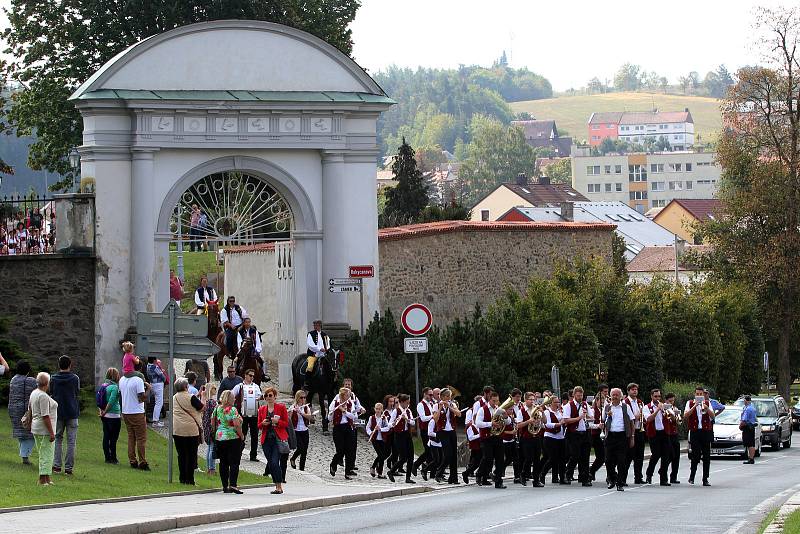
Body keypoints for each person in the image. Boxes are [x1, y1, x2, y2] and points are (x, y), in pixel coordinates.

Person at [50, 355, 80, 475]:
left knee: (57, 438)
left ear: (59, 365)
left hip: (58, 411)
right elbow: (77, 392)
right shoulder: (75, 378)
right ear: (70, 364)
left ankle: (57, 466)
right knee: (71, 441)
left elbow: (51, 392)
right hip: (72, 411)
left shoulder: (53, 378)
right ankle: (69, 468)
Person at [172, 378, 205, 485]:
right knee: (191, 455)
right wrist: (203, 397)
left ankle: (182, 478)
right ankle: (190, 480)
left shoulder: (174, 398)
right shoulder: (191, 397)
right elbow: (201, 408)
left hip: (177, 429)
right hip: (191, 430)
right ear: (186, 387)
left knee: (181, 455)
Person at [258, 387, 289, 494]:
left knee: (275, 462)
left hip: (277, 439)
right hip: (266, 440)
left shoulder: (281, 407)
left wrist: (278, 421)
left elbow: (286, 423)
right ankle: (276, 486)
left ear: (275, 396)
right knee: (271, 463)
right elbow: (258, 425)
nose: (268, 397)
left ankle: (279, 486)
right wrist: (263, 423)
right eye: (266, 396)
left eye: (270, 395)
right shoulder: (262, 409)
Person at [603, 387, 635, 491]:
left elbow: (632, 423)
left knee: (621, 461)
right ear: (610, 396)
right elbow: (603, 421)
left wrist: (632, 437)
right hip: (610, 435)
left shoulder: (625, 407)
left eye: (617, 395)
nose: (615, 397)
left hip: (622, 436)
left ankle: (620, 483)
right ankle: (612, 478)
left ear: (621, 396)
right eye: (613, 395)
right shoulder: (607, 407)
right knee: (608, 460)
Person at [119, 367, 150, 470]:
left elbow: (120, 396)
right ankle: (142, 462)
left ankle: (132, 460)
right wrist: (149, 390)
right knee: (141, 438)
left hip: (126, 411)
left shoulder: (122, 379)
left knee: (131, 437)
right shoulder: (138, 380)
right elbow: (142, 398)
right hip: (137, 412)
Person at [474, 391, 506, 489]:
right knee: (488, 458)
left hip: (498, 437)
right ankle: (479, 474)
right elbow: (478, 423)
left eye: (497, 401)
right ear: (489, 399)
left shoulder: (499, 409)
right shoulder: (482, 410)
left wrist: (506, 416)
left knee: (500, 459)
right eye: (493, 401)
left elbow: (507, 422)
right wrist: (490, 424)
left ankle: (498, 481)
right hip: (486, 438)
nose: (495, 403)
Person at [214, 390, 244, 494]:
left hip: (220, 437)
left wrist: (218, 431)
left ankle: (224, 486)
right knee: (234, 462)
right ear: (230, 399)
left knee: (223, 462)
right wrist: (241, 435)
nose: (235, 399)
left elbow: (212, 422)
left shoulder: (217, 409)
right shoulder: (232, 410)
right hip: (232, 437)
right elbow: (236, 424)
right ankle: (233, 485)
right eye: (233, 398)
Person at [31, 372, 58, 485]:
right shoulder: (42, 396)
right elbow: (45, 415)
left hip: (36, 427)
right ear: (47, 383)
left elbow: (30, 408)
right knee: (46, 454)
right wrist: (52, 432)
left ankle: (47, 477)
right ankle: (42, 479)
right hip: (44, 430)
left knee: (45, 453)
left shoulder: (34, 393)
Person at [8, 360, 37, 465]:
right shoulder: (31, 381)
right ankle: (25, 457)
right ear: (28, 370)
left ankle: (24, 456)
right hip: (25, 411)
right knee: (29, 433)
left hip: (13, 409)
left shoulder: (13, 379)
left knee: (21, 432)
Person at [684, 385, 714, 486]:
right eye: (697, 394)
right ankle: (692, 477)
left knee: (706, 456)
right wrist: (694, 406)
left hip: (706, 432)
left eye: (701, 394)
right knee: (695, 456)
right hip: (695, 432)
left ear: (704, 395)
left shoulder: (708, 403)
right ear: (695, 394)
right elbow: (685, 416)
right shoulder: (690, 403)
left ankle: (705, 479)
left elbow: (713, 416)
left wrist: (706, 408)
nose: (699, 396)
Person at [231, 369, 262, 462]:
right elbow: (231, 395)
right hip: (243, 414)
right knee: (242, 433)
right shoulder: (239, 386)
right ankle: (238, 453)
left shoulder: (256, 386)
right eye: (250, 375)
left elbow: (260, 396)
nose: (252, 377)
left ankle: (253, 455)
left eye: (253, 376)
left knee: (254, 435)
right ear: (245, 375)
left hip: (254, 414)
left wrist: (259, 397)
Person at [563, 385, 591, 486]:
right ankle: (568, 474)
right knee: (575, 455)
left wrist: (587, 416)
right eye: (578, 395)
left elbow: (591, 417)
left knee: (585, 456)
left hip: (584, 433)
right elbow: (566, 420)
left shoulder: (585, 404)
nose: (580, 397)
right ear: (574, 395)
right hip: (573, 434)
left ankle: (585, 478)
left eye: (581, 395)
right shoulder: (568, 406)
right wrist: (579, 418)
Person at [643, 388, 672, 486]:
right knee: (655, 455)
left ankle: (663, 479)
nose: (657, 398)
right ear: (651, 396)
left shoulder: (664, 406)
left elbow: (671, 418)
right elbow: (648, 419)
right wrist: (658, 409)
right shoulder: (647, 407)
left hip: (664, 433)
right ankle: (649, 474)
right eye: (655, 396)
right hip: (653, 434)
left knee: (666, 456)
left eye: (659, 396)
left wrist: (668, 411)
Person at [515, 391, 544, 487]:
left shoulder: (537, 410)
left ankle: (536, 480)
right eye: (530, 399)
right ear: (526, 400)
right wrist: (529, 421)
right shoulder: (521, 411)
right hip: (526, 438)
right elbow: (518, 425)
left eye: (533, 399)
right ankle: (523, 474)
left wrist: (542, 413)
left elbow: (545, 421)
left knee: (537, 460)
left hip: (536, 437)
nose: (532, 401)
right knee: (528, 458)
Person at [433, 388, 461, 484]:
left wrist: (450, 407)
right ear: (443, 397)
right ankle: (439, 472)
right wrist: (441, 407)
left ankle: (453, 478)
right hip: (442, 431)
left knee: (454, 455)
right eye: (448, 396)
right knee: (448, 454)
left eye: (450, 396)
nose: (449, 398)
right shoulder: (436, 406)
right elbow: (435, 419)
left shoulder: (452, 404)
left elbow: (459, 414)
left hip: (452, 431)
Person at [387, 393, 416, 484]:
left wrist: (406, 419)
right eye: (407, 403)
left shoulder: (408, 411)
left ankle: (408, 478)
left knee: (411, 456)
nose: (408, 404)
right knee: (403, 458)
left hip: (407, 435)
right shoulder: (396, 411)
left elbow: (413, 423)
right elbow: (389, 424)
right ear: (402, 402)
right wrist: (395, 422)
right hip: (399, 435)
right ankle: (391, 471)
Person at [329, 387, 358, 479]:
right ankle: (333, 464)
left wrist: (344, 412)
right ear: (343, 395)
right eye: (347, 395)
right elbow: (329, 418)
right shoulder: (334, 403)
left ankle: (348, 472)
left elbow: (354, 416)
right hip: (338, 428)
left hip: (349, 427)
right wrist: (332, 413)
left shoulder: (351, 403)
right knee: (340, 450)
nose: (349, 397)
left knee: (349, 450)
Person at [540, 396, 566, 485]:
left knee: (562, 458)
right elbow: (547, 424)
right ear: (551, 403)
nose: (557, 404)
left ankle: (561, 477)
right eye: (555, 402)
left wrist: (563, 421)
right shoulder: (547, 412)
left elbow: (563, 421)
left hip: (560, 437)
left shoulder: (560, 412)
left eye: (558, 402)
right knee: (552, 458)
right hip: (550, 437)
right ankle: (542, 475)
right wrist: (558, 424)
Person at [623, 383, 646, 484]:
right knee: (628, 456)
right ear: (628, 391)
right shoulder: (625, 402)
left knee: (639, 456)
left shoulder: (640, 402)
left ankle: (638, 477)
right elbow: (626, 418)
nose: (635, 391)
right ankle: (623, 478)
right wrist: (635, 416)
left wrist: (642, 418)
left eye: (636, 389)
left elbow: (643, 416)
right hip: (630, 431)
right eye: (632, 390)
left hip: (639, 430)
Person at [99, 368, 122, 464]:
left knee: (106, 436)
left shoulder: (103, 386)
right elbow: (112, 401)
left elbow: (99, 400)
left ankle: (107, 457)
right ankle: (113, 457)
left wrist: (102, 411)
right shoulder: (115, 387)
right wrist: (105, 411)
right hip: (114, 415)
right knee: (113, 438)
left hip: (105, 416)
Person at [413, 387, 434, 476]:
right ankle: (417, 464)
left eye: (432, 394)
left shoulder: (431, 404)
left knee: (432, 451)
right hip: (425, 430)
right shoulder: (420, 405)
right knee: (428, 450)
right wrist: (433, 416)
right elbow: (423, 418)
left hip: (432, 429)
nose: (431, 396)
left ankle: (429, 471)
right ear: (425, 394)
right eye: (430, 394)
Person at [290, 390, 314, 471]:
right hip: (296, 430)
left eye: (304, 397)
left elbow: (309, 417)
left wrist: (301, 412)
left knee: (305, 451)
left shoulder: (306, 407)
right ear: (297, 398)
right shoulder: (293, 407)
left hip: (305, 430)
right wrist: (293, 411)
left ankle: (302, 469)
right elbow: (288, 418)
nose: (303, 399)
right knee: (300, 448)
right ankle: (293, 458)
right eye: (301, 397)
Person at [366, 402, 390, 478]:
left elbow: (387, 428)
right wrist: (371, 433)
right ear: (374, 409)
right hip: (375, 439)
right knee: (381, 455)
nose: (378, 410)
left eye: (379, 409)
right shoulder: (371, 418)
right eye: (376, 409)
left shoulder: (384, 418)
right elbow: (367, 428)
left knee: (382, 456)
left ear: (382, 410)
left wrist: (380, 429)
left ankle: (373, 467)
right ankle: (380, 473)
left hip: (382, 439)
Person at [588, 388, 607, 482]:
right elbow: (590, 425)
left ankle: (592, 470)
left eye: (604, 401)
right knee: (601, 456)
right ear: (596, 401)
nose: (602, 403)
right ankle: (591, 471)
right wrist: (598, 426)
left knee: (602, 457)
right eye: (601, 401)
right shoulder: (593, 410)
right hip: (594, 435)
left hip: (601, 435)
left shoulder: (602, 411)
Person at [663, 392, 682, 484]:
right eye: (670, 401)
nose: (671, 403)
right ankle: (663, 470)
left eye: (673, 401)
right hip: (667, 434)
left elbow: (678, 422)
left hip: (674, 434)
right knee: (670, 455)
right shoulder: (664, 409)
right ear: (666, 401)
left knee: (676, 456)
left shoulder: (675, 409)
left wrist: (675, 415)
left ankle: (673, 477)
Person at [304, 320, 328, 388]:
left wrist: (327, 349)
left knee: (330, 365)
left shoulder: (325, 335)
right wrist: (319, 349)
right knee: (310, 366)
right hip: (313, 354)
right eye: (314, 325)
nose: (315, 327)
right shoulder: (310, 334)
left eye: (316, 325)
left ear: (320, 325)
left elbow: (327, 344)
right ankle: (307, 382)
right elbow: (310, 345)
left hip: (323, 355)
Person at [202, 384, 218, 475]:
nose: (216, 390)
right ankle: (211, 468)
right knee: (212, 448)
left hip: (206, 427)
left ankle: (209, 467)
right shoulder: (212, 402)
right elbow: (214, 416)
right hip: (211, 427)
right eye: (214, 388)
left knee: (209, 447)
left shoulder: (205, 402)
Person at [147, 357, 166, 426]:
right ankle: (155, 422)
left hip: (152, 384)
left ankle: (156, 420)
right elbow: (162, 376)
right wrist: (164, 379)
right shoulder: (155, 367)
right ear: (154, 360)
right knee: (159, 403)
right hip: (158, 385)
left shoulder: (147, 366)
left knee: (156, 402)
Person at [741, 394, 758, 464]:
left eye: (744, 400)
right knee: (752, 443)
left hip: (748, 427)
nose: (743, 401)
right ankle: (751, 457)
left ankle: (751, 458)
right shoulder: (752, 408)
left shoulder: (747, 409)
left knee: (749, 443)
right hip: (752, 427)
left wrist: (740, 426)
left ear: (746, 400)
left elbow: (744, 420)